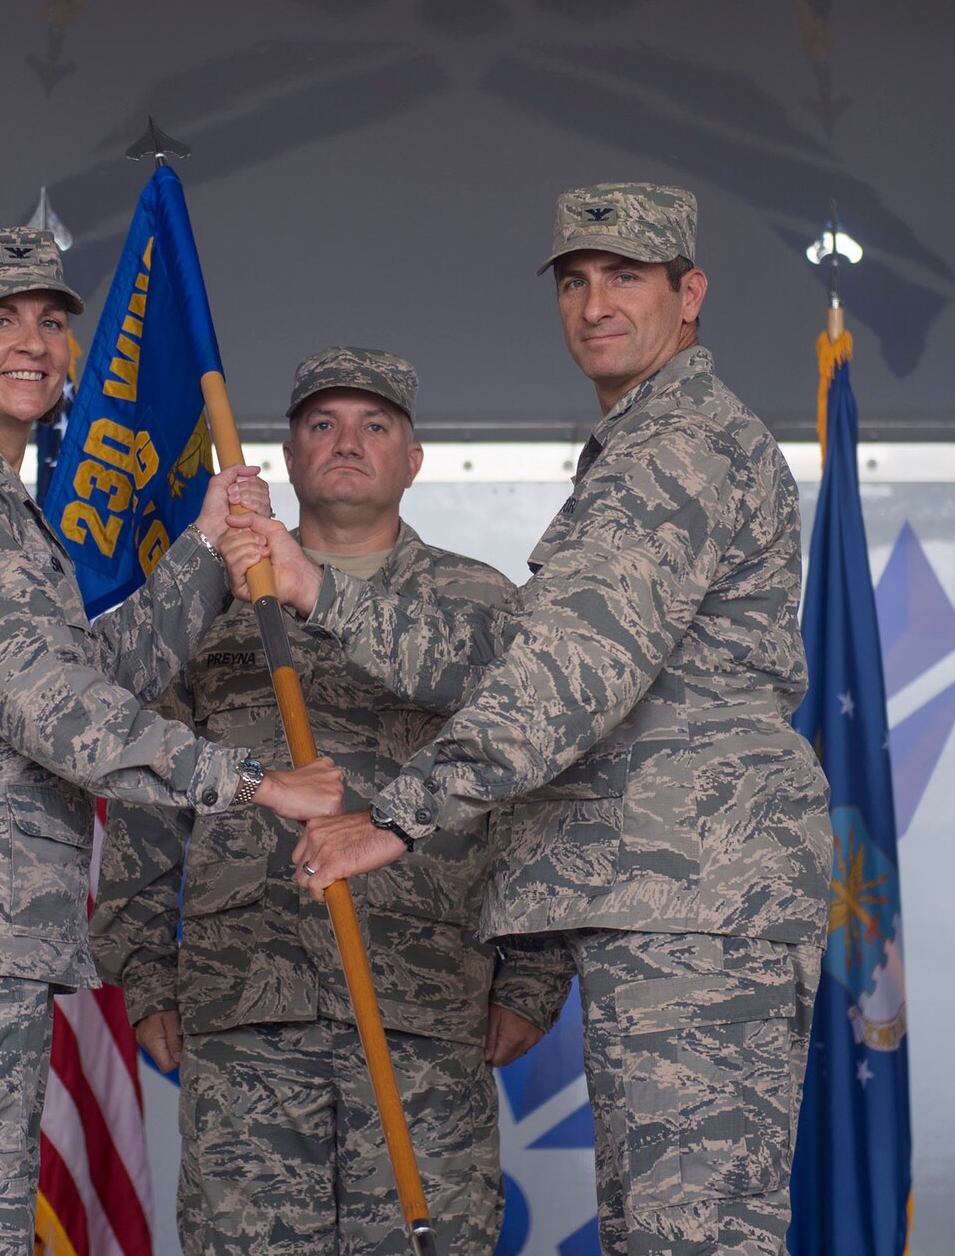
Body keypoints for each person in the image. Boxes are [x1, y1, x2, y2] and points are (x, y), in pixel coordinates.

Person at [224, 186, 833, 1256]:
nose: (594, 303)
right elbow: (510, 659)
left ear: (688, 294)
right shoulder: (638, 443)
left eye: (625, 277)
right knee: (658, 1229)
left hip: (691, 895)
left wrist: (396, 817)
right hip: (663, 897)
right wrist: (317, 589)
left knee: (689, 1235)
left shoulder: (675, 447)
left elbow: (563, 675)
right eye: (574, 279)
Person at [0, 226, 342, 1256]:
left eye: (52, 320)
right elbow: (49, 705)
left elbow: (95, 678)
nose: (36, 342)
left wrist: (198, 545)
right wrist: (246, 780)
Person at [93, 347, 572, 1256]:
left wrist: (535, 977)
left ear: (415, 458)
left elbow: (535, 792)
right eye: (323, 424)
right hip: (246, 1009)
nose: (347, 442)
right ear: (285, 453)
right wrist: (147, 974)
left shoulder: (485, 605)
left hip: (425, 1013)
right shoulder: (210, 605)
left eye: (375, 424)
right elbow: (151, 796)